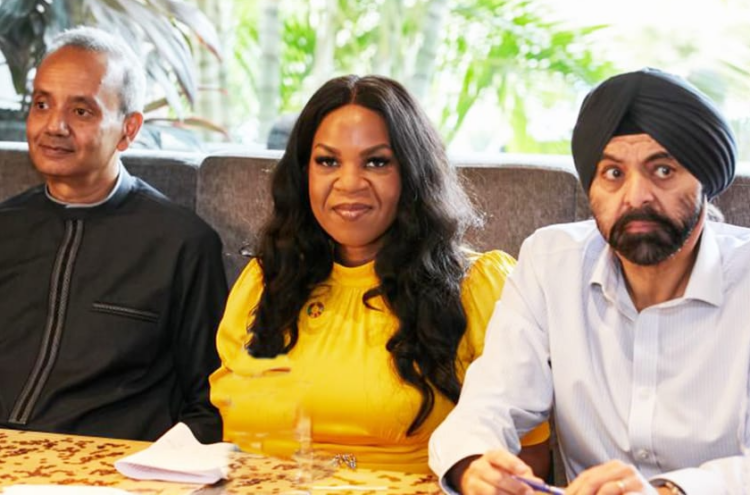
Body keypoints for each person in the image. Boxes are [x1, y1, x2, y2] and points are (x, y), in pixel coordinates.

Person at [429, 68, 750, 494]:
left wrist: (668, 490)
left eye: (664, 171)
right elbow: (490, 402)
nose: (636, 196)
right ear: (592, 187)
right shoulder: (551, 261)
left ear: (705, 182)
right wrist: (473, 465)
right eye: (613, 174)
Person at [209, 75, 550, 474]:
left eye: (376, 162)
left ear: (412, 173)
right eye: (328, 161)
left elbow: (528, 460)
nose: (350, 183)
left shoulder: (479, 287)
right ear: (304, 174)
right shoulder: (263, 281)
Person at [0, 26, 228, 443]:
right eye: (41, 104)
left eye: (81, 111)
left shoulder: (181, 243)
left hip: (109, 471)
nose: (54, 126)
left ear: (129, 129)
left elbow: (211, 404)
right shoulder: (5, 228)